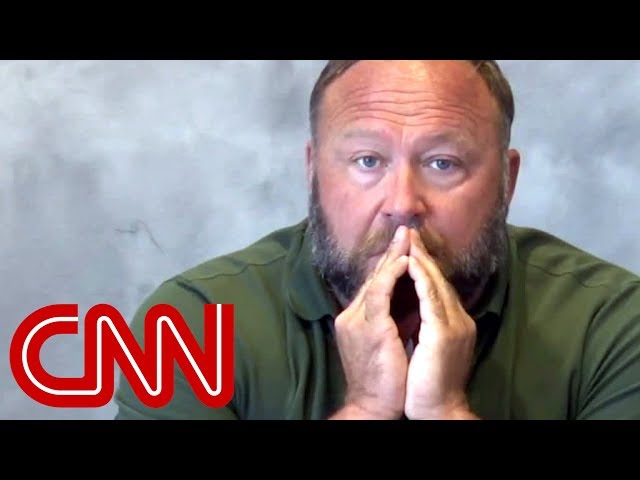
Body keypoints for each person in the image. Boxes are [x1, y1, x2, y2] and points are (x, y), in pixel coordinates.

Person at [113, 60, 640, 420]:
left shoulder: (615, 325)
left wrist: (446, 411)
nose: (403, 202)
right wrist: (365, 407)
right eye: (368, 161)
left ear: (508, 181)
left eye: (443, 163)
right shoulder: (191, 323)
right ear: (313, 172)